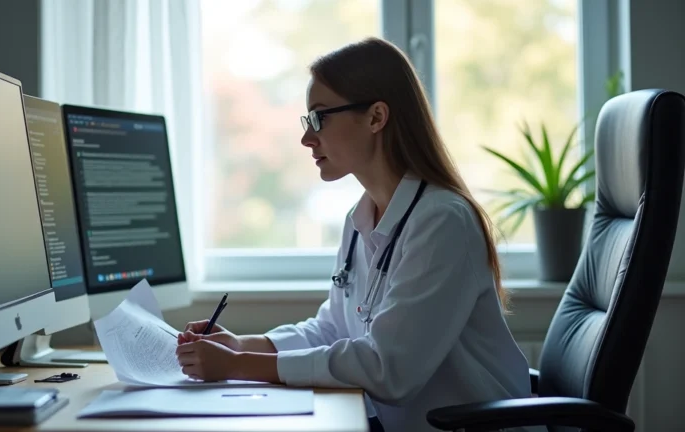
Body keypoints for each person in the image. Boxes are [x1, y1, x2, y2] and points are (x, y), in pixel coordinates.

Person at [175, 37, 536, 432]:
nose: (307, 138)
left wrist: (240, 366)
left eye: (319, 118)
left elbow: (387, 370)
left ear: (376, 117)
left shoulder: (442, 221)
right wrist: (243, 345)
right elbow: (332, 328)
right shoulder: (360, 217)